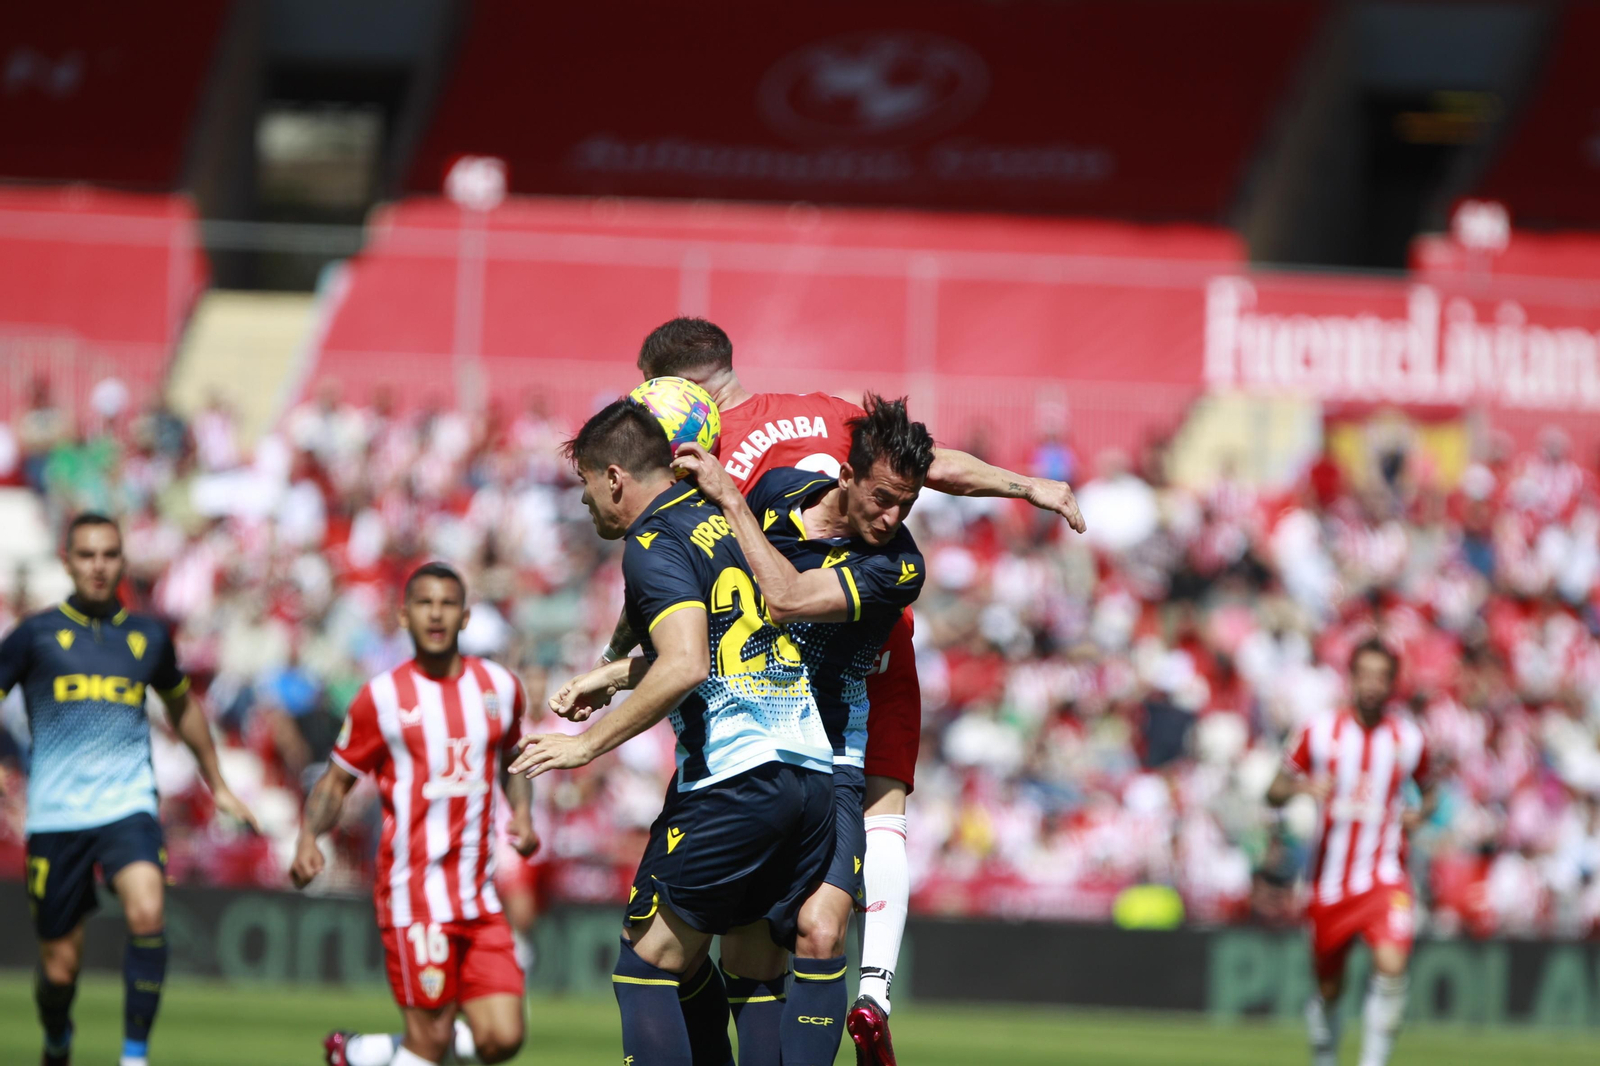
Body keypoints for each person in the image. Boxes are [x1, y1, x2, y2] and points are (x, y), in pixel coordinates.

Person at [615, 316, 1085, 1063]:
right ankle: (874, 988)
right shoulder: (827, 410)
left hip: (790, 669)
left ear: (671, 386)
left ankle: (862, 997)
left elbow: (678, 577)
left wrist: (621, 653)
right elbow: (934, 465)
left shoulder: (709, 459)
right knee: (828, 875)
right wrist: (1025, 486)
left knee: (741, 937)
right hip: (849, 654)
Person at [509, 398, 836, 1066]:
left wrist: (585, 744)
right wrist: (614, 675)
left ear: (614, 479)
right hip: (808, 773)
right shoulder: (723, 518)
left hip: (738, 779)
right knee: (753, 967)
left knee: (647, 963)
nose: (585, 505)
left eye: (584, 487)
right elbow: (719, 644)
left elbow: (686, 664)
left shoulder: (654, 542)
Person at [671, 393, 932, 1066]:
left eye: (907, 503)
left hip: (832, 760)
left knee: (820, 931)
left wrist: (730, 497)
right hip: (747, 741)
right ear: (846, 476)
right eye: (881, 498)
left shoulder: (898, 566)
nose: (893, 517)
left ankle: (871, 995)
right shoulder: (781, 491)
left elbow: (786, 599)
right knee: (706, 952)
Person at [2, 512, 259, 1066]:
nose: (99, 566)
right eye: (87, 555)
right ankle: (56, 1037)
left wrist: (219, 784)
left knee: (147, 910)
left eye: (109, 555)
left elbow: (183, 708)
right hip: (55, 816)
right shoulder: (32, 636)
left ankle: (134, 1057)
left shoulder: (147, 636)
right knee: (59, 971)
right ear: (67, 561)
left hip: (127, 806)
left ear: (123, 561)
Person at [291, 563, 539, 1066]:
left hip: (479, 896)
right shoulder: (382, 698)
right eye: (424, 603)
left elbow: (513, 758)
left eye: (447, 604)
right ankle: (381, 1052)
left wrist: (524, 815)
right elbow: (336, 781)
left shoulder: (500, 688)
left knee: (503, 1038)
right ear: (403, 616)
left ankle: (363, 1053)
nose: (436, 614)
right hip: (415, 896)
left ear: (466, 617)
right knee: (430, 1039)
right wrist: (307, 838)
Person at [1266, 639, 1437, 1066]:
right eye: (1365, 674)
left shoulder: (1409, 738)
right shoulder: (1319, 732)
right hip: (1329, 883)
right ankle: (1325, 1057)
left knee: (1392, 964)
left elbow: (1430, 791)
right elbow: (1274, 790)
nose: (1373, 685)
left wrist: (1421, 813)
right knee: (1329, 989)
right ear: (1351, 677)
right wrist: (1303, 787)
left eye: (1382, 676)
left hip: (1384, 873)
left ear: (1393, 682)